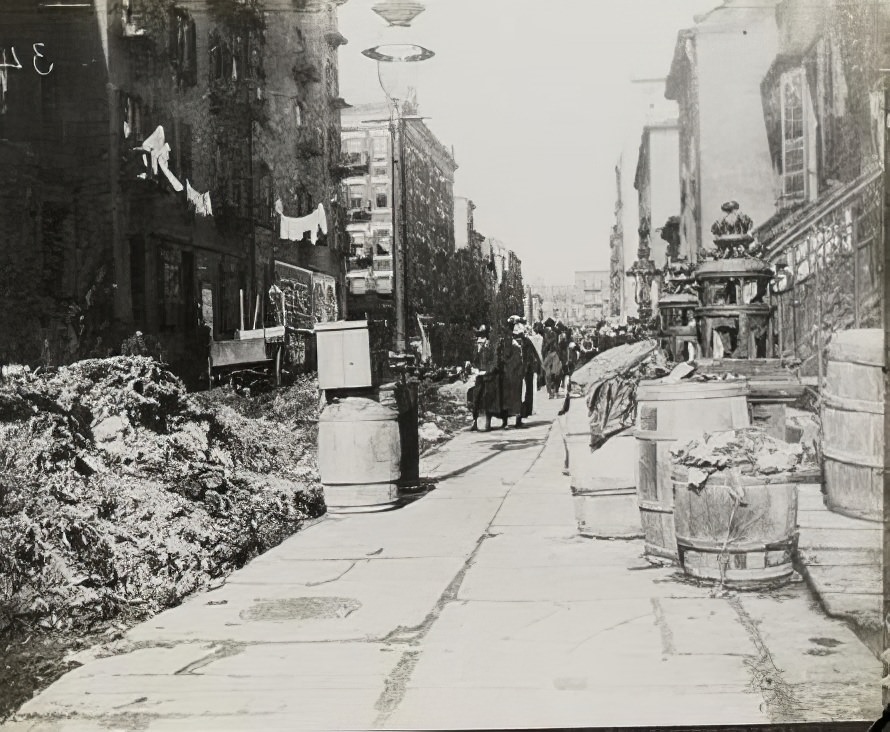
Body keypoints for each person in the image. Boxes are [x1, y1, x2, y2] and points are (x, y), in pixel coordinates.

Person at [469, 324, 499, 431]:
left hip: (489, 376)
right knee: (475, 397)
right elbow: (474, 361)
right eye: (479, 335)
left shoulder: (491, 347)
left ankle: (488, 422)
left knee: (488, 398)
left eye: (482, 335)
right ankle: (475, 422)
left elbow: (494, 362)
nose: (480, 337)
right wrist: (474, 368)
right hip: (479, 376)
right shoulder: (478, 347)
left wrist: (488, 371)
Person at [498, 320, 525, 428]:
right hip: (507, 375)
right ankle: (506, 421)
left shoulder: (515, 346)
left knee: (515, 397)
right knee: (507, 398)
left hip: (513, 375)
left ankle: (516, 420)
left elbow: (518, 361)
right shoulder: (504, 345)